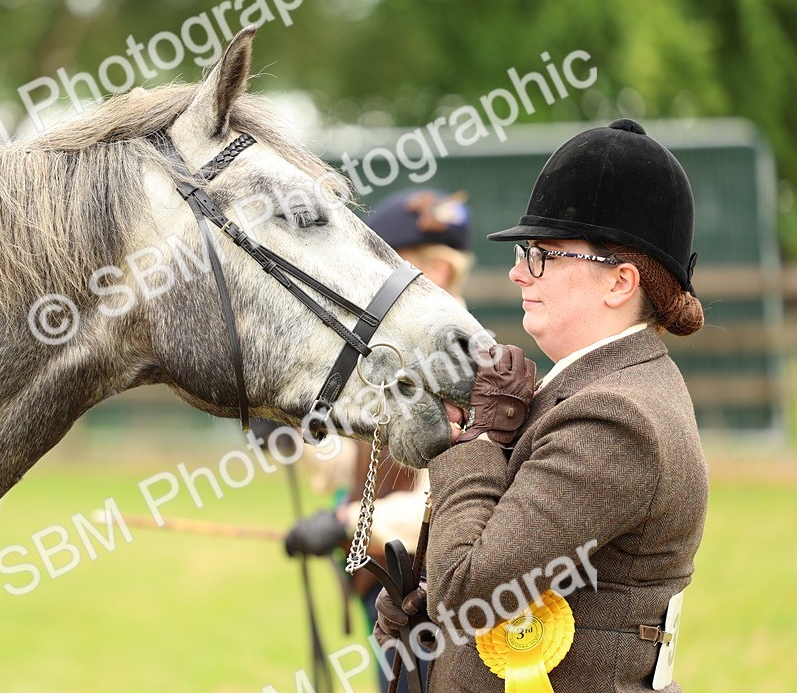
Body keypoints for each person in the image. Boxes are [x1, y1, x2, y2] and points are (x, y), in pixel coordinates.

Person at [374, 118, 708, 693]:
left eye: (543, 254)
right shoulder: (604, 389)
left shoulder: (615, 416)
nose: (518, 271)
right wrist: (426, 604)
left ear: (620, 282)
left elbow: (473, 597)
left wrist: (478, 443)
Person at [279, 188, 473, 690]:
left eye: (390, 267)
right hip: (388, 583)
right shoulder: (397, 361)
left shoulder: (471, 370)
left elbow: (446, 505)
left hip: (435, 594)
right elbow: (345, 468)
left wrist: (344, 520)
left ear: (441, 273)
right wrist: (292, 427)